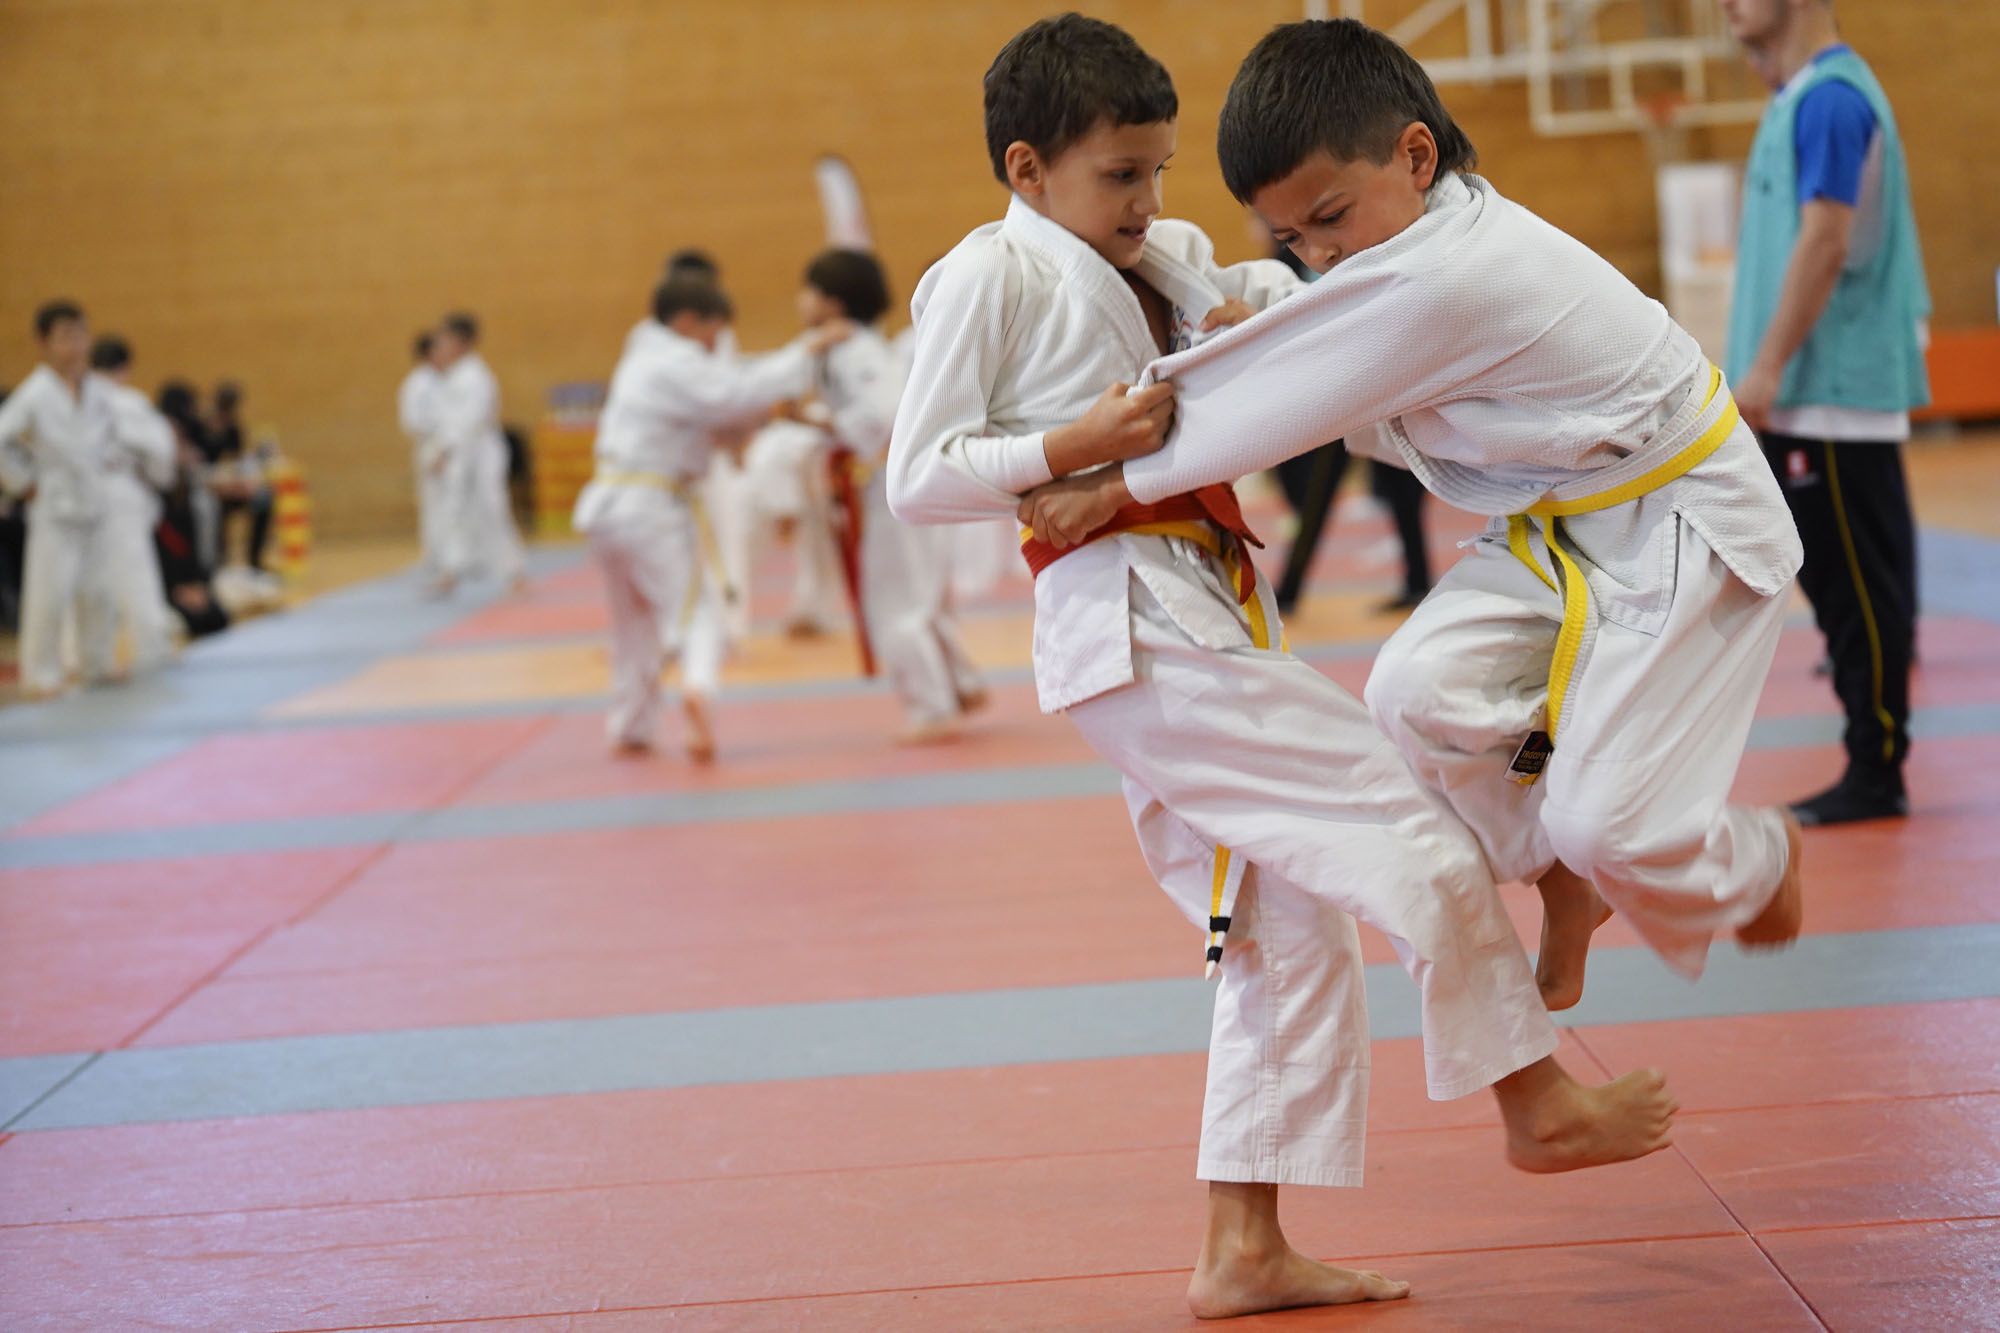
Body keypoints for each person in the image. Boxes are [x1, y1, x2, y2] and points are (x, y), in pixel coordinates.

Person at [892, 16, 1677, 1319]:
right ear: (1026, 171)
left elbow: (1274, 321)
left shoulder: (1177, 254)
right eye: (1117, 178)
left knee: (1282, 926)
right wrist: (1066, 443)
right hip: (1132, 622)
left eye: (1155, 169)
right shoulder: (991, 277)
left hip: (1206, 600)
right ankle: (1534, 1097)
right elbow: (918, 476)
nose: (1149, 202)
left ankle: (1241, 1246)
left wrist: (1315, 292)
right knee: (1402, 830)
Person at [1023, 18, 1808, 1022]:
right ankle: (1550, 870)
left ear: (1414, 154)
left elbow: (1286, 390)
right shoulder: (1413, 245)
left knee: (1610, 827)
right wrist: (1260, 311)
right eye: (1294, 238)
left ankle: (1750, 861)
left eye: (1329, 218)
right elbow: (1323, 315)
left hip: (1682, 530)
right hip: (1561, 526)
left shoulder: (1456, 275)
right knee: (1413, 692)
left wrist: (1112, 479)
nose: (1317, 252)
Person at [1720, 0, 1930, 827]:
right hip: (1812, 395)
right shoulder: (1803, 96)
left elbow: (1827, 240)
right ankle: (1872, 758)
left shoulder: (1833, 101)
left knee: (1856, 593)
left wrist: (1767, 368)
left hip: (1830, 394)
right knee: (1845, 585)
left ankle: (1877, 771)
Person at [572, 276, 851, 759]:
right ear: (686, 321)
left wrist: (738, 436)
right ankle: (699, 687)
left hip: (608, 505)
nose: (712, 343)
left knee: (633, 624)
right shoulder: (675, 361)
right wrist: (808, 348)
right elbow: (735, 393)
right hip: (648, 506)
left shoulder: (641, 359)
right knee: (697, 615)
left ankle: (631, 726)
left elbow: (712, 416)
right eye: (711, 331)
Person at [804, 247, 987, 742]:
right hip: (906, 477)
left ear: (834, 302)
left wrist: (817, 421)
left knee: (895, 599)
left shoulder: (853, 351)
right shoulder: (855, 349)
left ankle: (930, 707)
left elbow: (883, 414)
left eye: (810, 292)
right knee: (922, 593)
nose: (802, 302)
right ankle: (958, 683)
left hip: (891, 481)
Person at [0, 301, 120, 697]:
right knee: (49, 595)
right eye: (66, 336)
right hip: (54, 506)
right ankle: (41, 675)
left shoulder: (98, 391)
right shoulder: (34, 393)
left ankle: (97, 661)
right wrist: (21, 483)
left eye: (81, 334)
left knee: (99, 591)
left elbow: (111, 441)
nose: (76, 344)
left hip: (96, 503)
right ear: (43, 343)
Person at [88, 336, 178, 673]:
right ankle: (152, 650)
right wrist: (159, 481)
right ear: (124, 368)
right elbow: (161, 453)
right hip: (118, 492)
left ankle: (90, 659)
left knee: (92, 581)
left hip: (75, 497)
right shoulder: (129, 402)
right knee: (136, 576)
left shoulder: (75, 398)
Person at [432, 312, 527, 594]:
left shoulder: (475, 376)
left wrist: (444, 450)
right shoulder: (455, 376)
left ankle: (514, 571)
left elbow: (471, 421)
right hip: (461, 451)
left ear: (461, 342)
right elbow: (450, 422)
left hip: (481, 449)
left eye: (445, 339)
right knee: (454, 510)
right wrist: (445, 449)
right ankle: (451, 569)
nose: (441, 345)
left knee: (491, 508)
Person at [397, 331, 450, 582]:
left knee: (456, 503)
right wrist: (435, 443)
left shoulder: (450, 379)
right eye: (440, 348)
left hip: (452, 446)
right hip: (430, 446)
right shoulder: (417, 384)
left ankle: (457, 558)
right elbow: (411, 421)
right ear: (430, 352)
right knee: (433, 504)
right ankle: (434, 557)